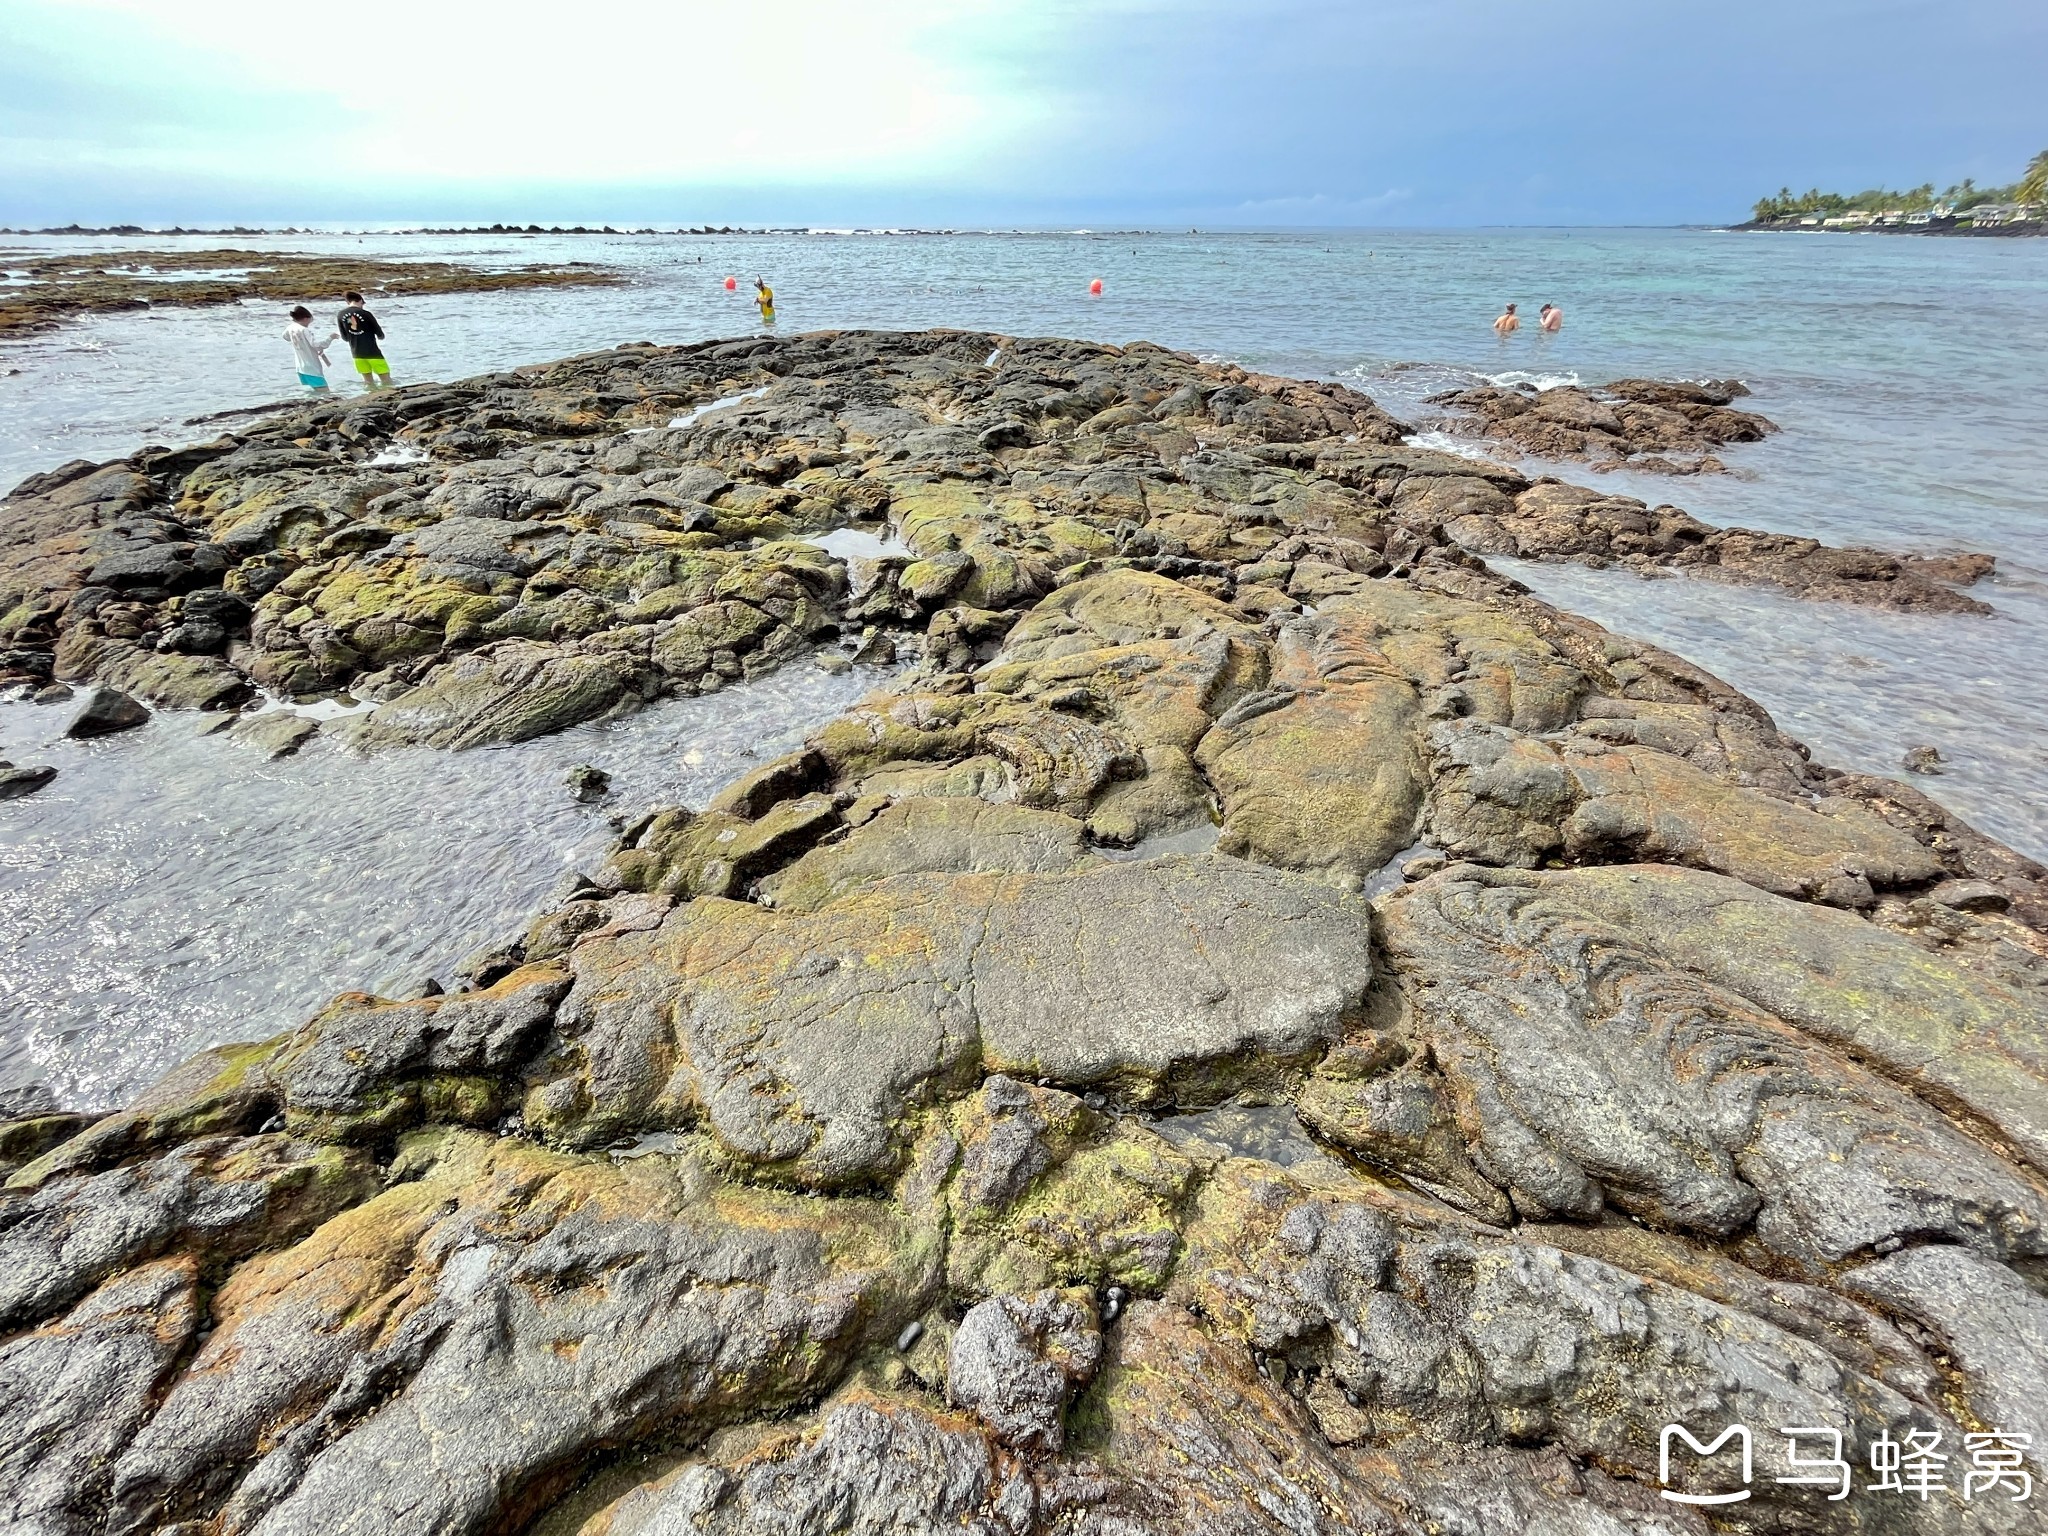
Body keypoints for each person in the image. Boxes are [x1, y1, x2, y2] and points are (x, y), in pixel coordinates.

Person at [335, 291, 393, 389]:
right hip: (373, 352)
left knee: (368, 382)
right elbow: (380, 334)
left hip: (356, 354)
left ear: (348, 301)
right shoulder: (366, 314)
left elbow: (344, 338)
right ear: (360, 300)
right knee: (386, 380)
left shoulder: (340, 315)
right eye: (363, 303)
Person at [284, 306, 332, 392]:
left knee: (315, 389)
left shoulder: (291, 327)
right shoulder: (304, 330)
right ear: (306, 318)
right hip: (311, 366)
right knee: (324, 391)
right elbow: (316, 345)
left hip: (300, 366)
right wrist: (330, 338)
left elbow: (285, 337)